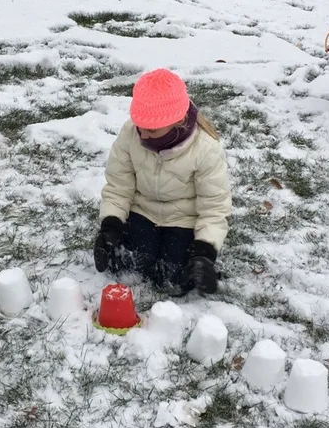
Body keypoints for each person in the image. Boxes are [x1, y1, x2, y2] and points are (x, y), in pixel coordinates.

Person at [93, 69, 232, 296]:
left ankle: (186, 259)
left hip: (182, 219)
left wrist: (205, 251)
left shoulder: (205, 149)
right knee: (132, 264)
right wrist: (111, 225)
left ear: (176, 122)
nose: (143, 136)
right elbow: (119, 185)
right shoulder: (131, 134)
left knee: (173, 281)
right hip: (143, 212)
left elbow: (214, 207)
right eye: (140, 127)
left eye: (152, 130)